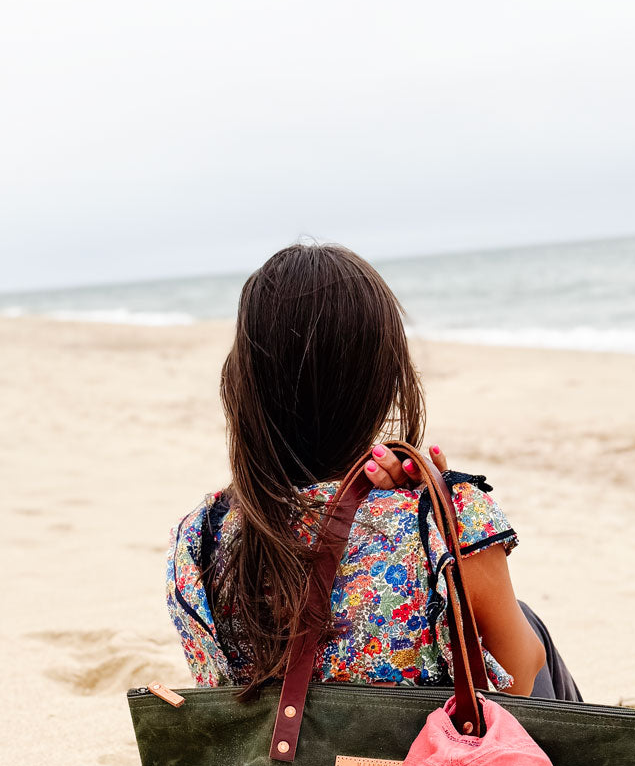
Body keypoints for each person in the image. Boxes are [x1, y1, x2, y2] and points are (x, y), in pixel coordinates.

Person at [166, 243, 583, 705]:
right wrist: (438, 510)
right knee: (524, 629)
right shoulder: (451, 518)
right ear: (383, 382)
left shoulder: (198, 539)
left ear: (246, 380)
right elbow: (520, 683)